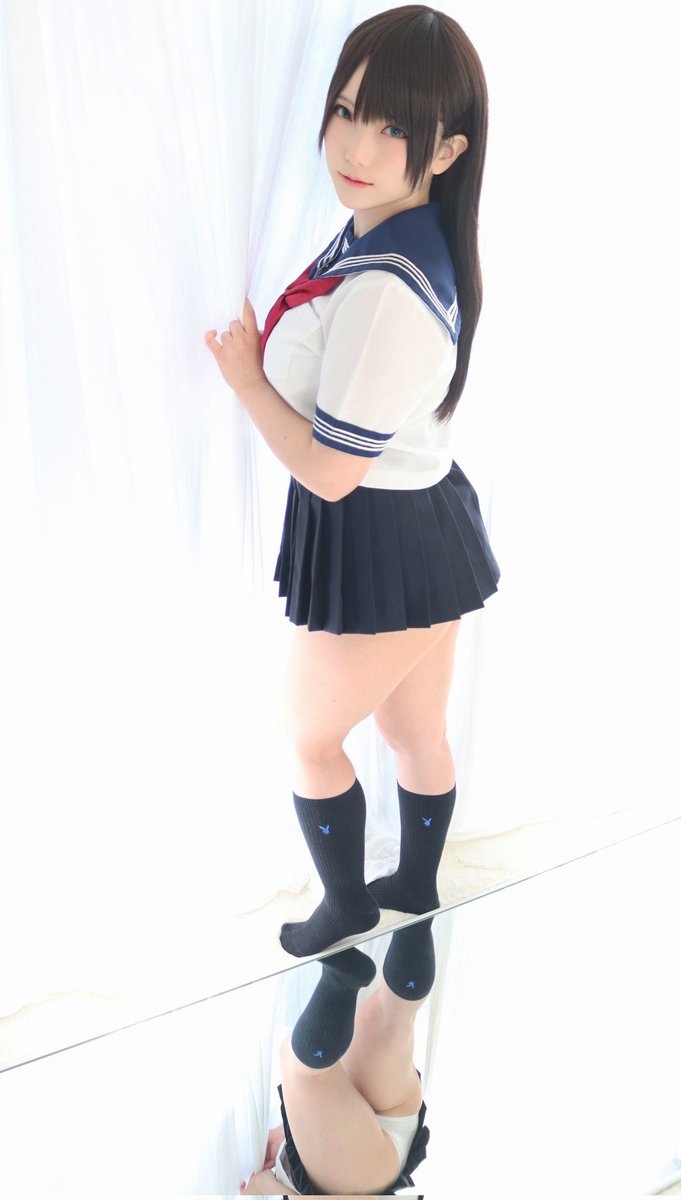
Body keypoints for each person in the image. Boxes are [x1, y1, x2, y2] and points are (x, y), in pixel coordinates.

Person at [205, 5, 499, 958]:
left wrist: (249, 383)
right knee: (415, 731)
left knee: (308, 738)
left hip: (382, 531)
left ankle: (348, 910)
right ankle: (413, 886)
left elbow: (332, 473)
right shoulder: (392, 232)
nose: (355, 145)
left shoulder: (385, 288)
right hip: (420, 521)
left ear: (446, 151)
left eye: (394, 127)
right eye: (347, 110)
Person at [239, 920, 436, 1196]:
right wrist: (270, 1188)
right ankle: (341, 977)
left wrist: (289, 1129)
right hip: (359, 1175)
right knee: (302, 1070)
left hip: (396, 1130)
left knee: (390, 1014)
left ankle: (416, 906)